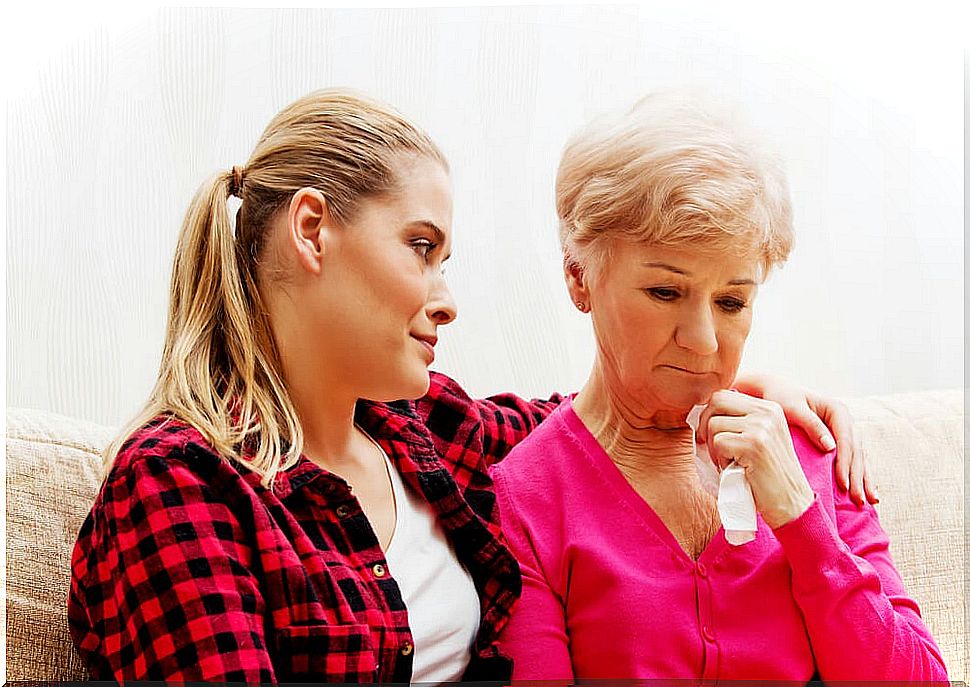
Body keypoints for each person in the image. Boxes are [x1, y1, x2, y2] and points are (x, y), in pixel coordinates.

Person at [68, 88, 872, 683]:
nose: (447, 298)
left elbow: (597, 424)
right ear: (313, 230)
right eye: (422, 248)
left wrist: (737, 386)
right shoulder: (178, 482)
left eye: (444, 258)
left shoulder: (417, 431)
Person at [491, 90, 948, 682]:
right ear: (579, 277)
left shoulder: (807, 452)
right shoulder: (527, 497)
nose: (705, 341)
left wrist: (801, 520)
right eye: (665, 292)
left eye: (732, 301)